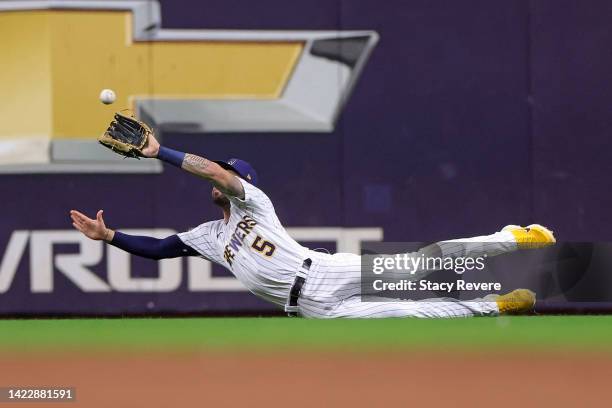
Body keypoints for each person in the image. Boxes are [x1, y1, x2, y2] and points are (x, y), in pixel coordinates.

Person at [70, 131, 555, 318]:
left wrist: (162, 153)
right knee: (415, 312)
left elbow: (216, 171)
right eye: (225, 172)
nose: (222, 175)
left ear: (243, 181)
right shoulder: (210, 237)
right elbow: (158, 249)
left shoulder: (253, 203)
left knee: (421, 263)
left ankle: (512, 238)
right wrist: (108, 237)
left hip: (323, 271)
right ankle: (495, 306)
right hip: (310, 310)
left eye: (230, 172)